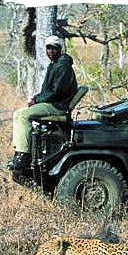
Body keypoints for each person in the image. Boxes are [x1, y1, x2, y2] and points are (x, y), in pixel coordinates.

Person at [9, 35, 78, 170]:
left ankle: (24, 155)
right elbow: (49, 90)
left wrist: (37, 99)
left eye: (54, 48)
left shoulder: (62, 66)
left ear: (60, 49)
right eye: (49, 48)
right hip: (53, 103)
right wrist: (37, 99)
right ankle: (19, 151)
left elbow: (56, 92)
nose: (51, 52)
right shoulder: (56, 64)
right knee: (18, 113)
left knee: (23, 116)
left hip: (57, 106)